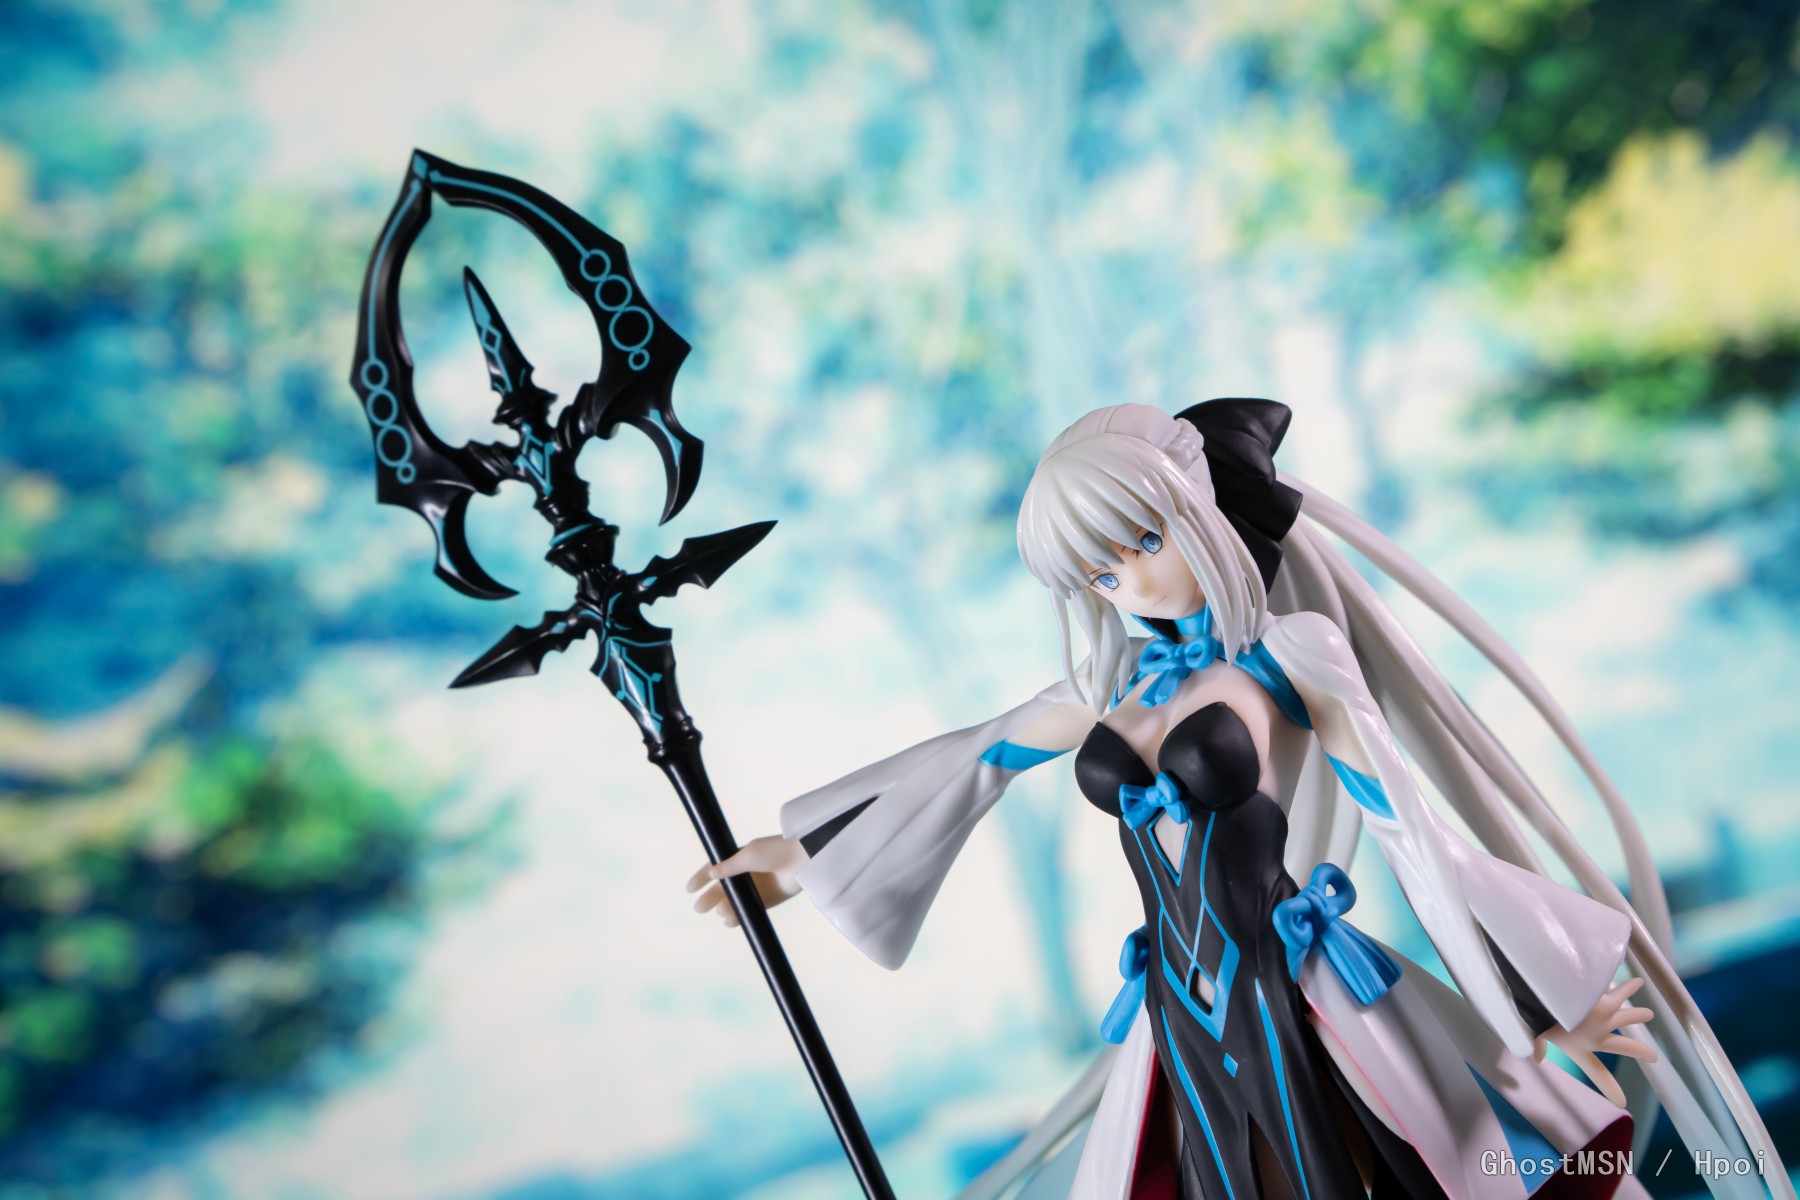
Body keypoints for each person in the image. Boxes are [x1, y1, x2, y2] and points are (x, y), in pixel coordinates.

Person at [686, 400, 1787, 1200]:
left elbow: (1410, 828)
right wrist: (802, 858)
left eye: (1145, 542)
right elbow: (979, 758)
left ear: (1199, 512)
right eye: (1101, 573)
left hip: (1301, 995)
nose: (1131, 582)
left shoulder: (1292, 655)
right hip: (1176, 1012)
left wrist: (1538, 1007)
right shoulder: (1113, 685)